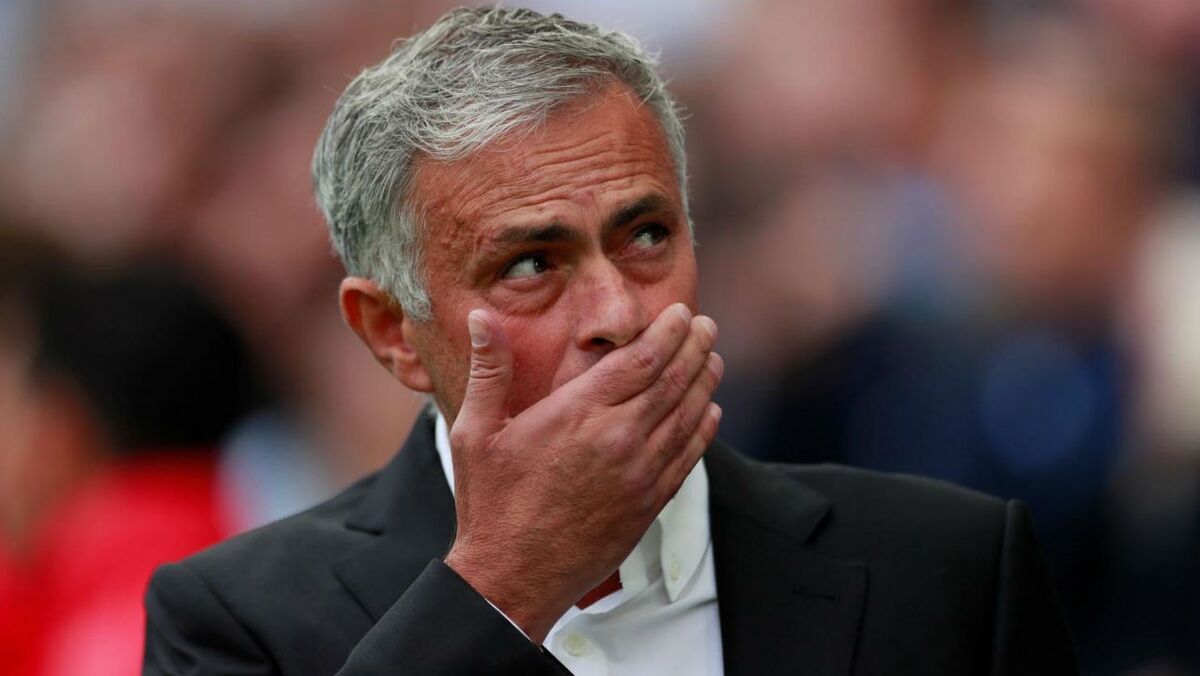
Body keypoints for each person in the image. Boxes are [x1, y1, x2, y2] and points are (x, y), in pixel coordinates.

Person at [143, 8, 1077, 675]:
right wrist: (503, 587)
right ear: (393, 333)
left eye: (646, 236)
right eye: (530, 264)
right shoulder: (236, 618)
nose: (620, 313)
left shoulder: (948, 567)